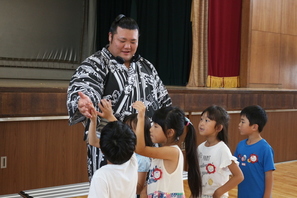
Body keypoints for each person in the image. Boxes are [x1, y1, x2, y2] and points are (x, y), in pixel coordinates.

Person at [66, 14, 172, 181]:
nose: (128, 46)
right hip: (109, 151)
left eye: (133, 41)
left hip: (145, 148)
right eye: (122, 41)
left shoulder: (147, 67)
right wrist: (83, 102)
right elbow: (84, 87)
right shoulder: (94, 64)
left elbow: (165, 104)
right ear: (110, 36)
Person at [132, 101, 202, 198]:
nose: (150, 129)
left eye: (156, 126)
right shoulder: (162, 151)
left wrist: (140, 118)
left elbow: (140, 149)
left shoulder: (172, 151)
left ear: (170, 133)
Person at [87, 108, 138, 198]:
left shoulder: (101, 176)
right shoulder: (132, 163)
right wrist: (110, 116)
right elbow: (125, 138)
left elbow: (92, 142)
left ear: (102, 150)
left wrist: (93, 122)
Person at [197, 105, 244, 198]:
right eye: (201, 119)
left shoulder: (222, 149)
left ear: (218, 128)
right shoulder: (200, 148)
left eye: (207, 120)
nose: (201, 123)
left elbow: (239, 176)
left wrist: (218, 192)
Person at [234, 105, 275, 198]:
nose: (239, 124)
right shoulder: (240, 145)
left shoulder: (265, 149)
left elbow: (269, 176)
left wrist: (267, 196)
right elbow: (234, 167)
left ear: (254, 127)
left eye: (242, 122)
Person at [123, 113, 153, 197]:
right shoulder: (126, 152)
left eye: (131, 130)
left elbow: (139, 189)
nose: (126, 133)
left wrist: (118, 181)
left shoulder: (142, 158)